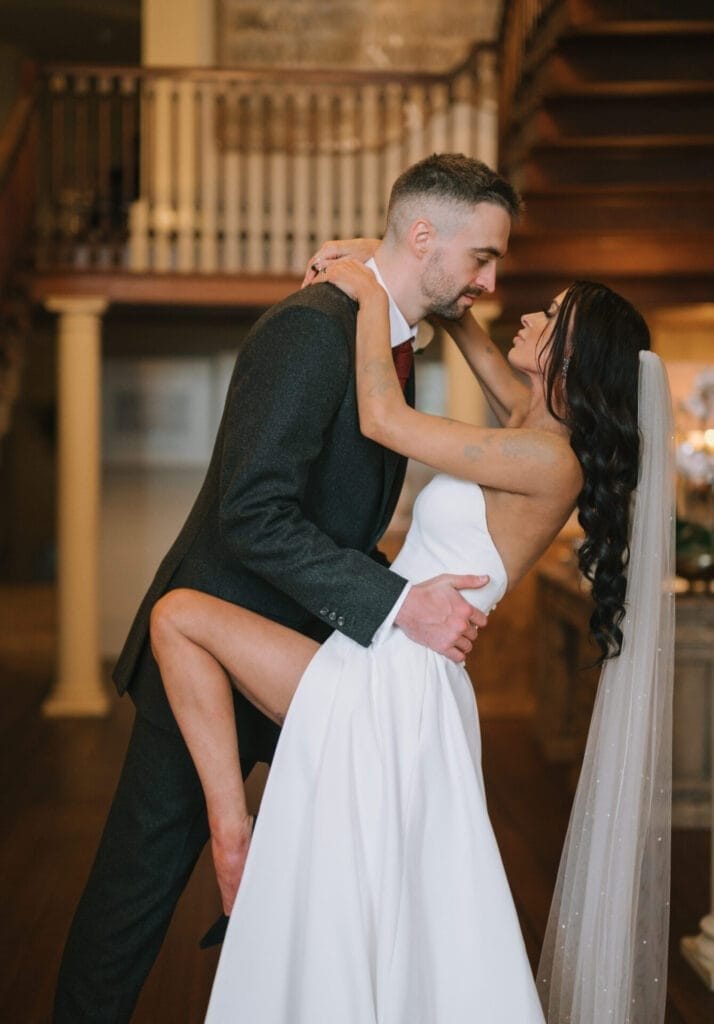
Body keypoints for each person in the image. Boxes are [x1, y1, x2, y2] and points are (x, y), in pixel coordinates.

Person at [53, 154, 522, 1024]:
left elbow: (332, 519)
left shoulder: (386, 335)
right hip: (211, 659)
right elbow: (252, 513)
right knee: (133, 902)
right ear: (423, 236)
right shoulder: (311, 328)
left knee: (327, 889)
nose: (490, 280)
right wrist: (396, 603)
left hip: (311, 664)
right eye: (482, 258)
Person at [149, 255, 675, 1022]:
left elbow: (382, 421)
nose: (525, 314)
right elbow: (488, 353)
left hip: (397, 684)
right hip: (382, 660)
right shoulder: (534, 427)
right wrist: (441, 288)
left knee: (179, 618)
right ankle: (235, 837)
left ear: (573, 352)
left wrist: (369, 288)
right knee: (378, 901)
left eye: (550, 314)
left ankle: (232, 840)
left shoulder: (545, 460)